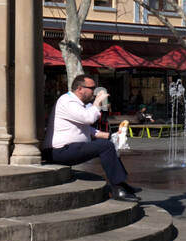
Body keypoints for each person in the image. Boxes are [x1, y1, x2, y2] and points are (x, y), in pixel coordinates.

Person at [43, 74, 140, 203]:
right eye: (92, 88)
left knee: (109, 144)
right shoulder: (67, 101)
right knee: (105, 146)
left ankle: (121, 183)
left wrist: (110, 135)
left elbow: (86, 128)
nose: (95, 92)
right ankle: (117, 188)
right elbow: (88, 119)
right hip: (58, 151)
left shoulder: (75, 103)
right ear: (79, 89)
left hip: (68, 148)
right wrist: (97, 102)